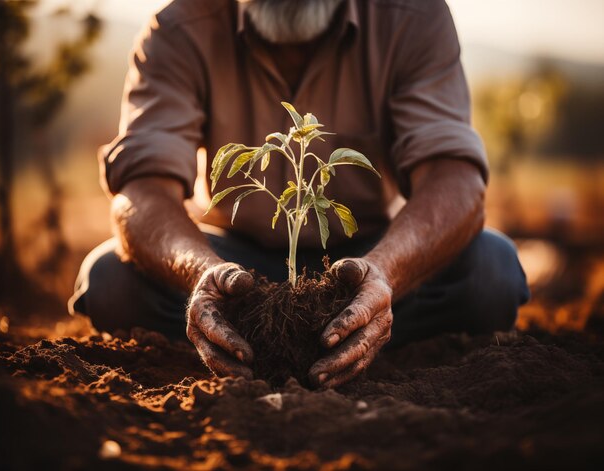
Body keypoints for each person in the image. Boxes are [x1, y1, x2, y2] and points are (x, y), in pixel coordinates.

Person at [69, 0, 529, 388]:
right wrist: (201, 275)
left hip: (366, 261)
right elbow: (142, 189)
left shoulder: (411, 14)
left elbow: (454, 177)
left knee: (491, 271)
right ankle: (231, 330)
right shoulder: (181, 25)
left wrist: (386, 273)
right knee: (112, 279)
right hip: (236, 273)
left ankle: (363, 327)